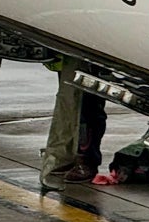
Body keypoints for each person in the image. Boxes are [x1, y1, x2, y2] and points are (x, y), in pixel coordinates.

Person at [39, 56, 108, 191]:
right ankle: (69, 156)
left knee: (86, 106)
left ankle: (86, 159)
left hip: (89, 55)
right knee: (70, 103)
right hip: (71, 57)